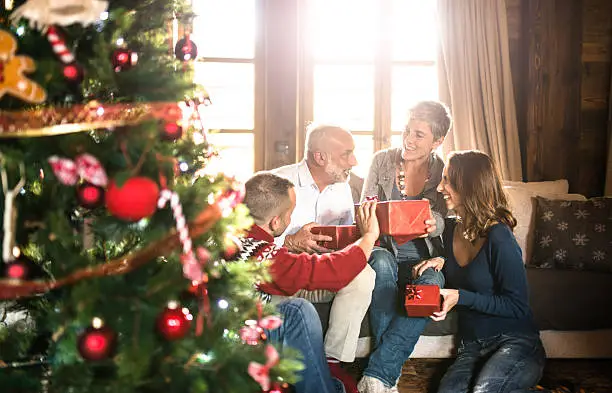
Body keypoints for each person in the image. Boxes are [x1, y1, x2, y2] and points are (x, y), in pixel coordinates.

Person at [239, 172, 380, 393]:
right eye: (289, 215)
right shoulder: (261, 256)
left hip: (270, 291)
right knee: (298, 310)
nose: (290, 220)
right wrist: (369, 235)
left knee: (362, 274)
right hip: (247, 330)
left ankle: (332, 361)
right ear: (275, 221)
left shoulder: (234, 236)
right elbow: (327, 271)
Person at [358, 101, 452, 393]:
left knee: (432, 283)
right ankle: (385, 376)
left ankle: (378, 375)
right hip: (382, 248)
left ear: (437, 141)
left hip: (422, 256)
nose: (409, 139)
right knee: (383, 264)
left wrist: (432, 222)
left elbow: (447, 219)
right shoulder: (382, 160)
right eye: (407, 131)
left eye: (419, 135)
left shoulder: (442, 170)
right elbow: (364, 210)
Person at [271, 124, 374, 389]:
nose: (354, 161)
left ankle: (332, 361)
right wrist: (292, 241)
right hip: (287, 278)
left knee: (365, 274)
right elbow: (252, 241)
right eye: (346, 154)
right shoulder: (278, 183)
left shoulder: (342, 188)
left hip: (325, 275)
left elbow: (348, 241)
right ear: (320, 157)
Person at [433, 150, 545, 393]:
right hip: (471, 347)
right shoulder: (451, 229)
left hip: (515, 342)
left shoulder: (499, 236)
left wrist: (461, 297)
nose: (440, 187)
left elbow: (518, 306)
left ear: (469, 185)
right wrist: (439, 260)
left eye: (447, 180)